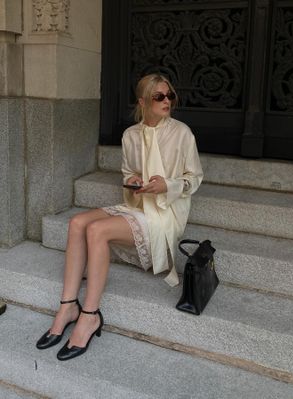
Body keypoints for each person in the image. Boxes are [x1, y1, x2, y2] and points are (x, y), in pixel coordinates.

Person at [36, 74, 203, 361]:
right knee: (77, 223)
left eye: (170, 96)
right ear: (143, 102)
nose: (167, 101)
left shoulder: (182, 133)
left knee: (98, 231)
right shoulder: (130, 135)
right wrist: (135, 180)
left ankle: (90, 315)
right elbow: (128, 173)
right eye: (159, 96)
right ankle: (67, 306)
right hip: (139, 206)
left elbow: (194, 178)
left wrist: (168, 185)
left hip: (164, 215)